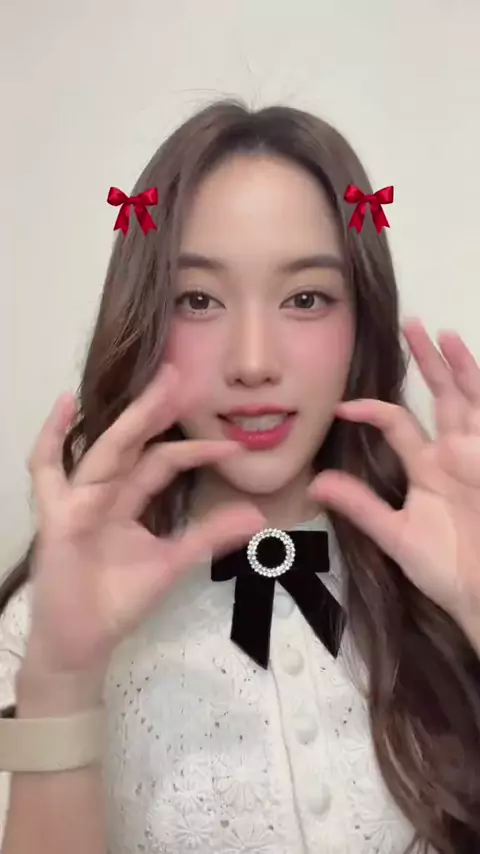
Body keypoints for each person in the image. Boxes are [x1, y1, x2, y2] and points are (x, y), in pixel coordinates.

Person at [0, 100, 479, 854]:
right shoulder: (49, 623)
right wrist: (61, 681)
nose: (253, 362)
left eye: (305, 299)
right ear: (146, 317)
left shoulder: (440, 573)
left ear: (361, 321)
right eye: (198, 300)